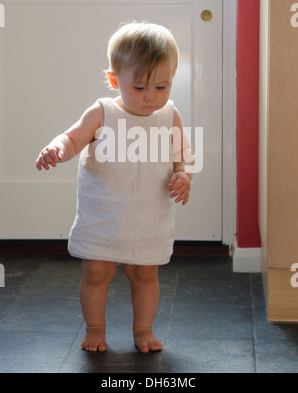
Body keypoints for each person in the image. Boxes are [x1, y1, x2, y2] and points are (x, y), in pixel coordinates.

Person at [35, 22, 194, 354]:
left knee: (146, 275)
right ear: (114, 80)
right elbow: (72, 138)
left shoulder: (169, 115)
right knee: (96, 273)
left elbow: (183, 154)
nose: (151, 97)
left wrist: (184, 174)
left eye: (161, 86)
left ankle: (143, 330)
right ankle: (95, 328)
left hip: (149, 216)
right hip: (104, 216)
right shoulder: (102, 113)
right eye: (138, 88)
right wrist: (57, 149)